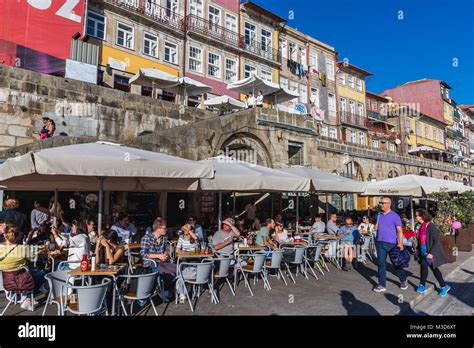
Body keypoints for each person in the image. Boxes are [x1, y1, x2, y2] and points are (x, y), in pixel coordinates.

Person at [0, 224, 45, 311]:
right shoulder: (22, 248)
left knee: (31, 272)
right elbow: (31, 258)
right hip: (22, 282)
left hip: (7, 283)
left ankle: (26, 296)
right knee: (42, 273)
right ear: (17, 236)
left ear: (4, 235)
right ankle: (27, 297)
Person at [373, 197, 407, 293]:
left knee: (396, 264)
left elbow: (400, 231)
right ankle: (382, 284)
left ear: (389, 204)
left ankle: (403, 279)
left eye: (384, 203)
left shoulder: (395, 216)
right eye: (381, 203)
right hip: (380, 242)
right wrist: (376, 227)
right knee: (381, 264)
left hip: (392, 243)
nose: (382, 204)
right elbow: (379, 226)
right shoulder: (379, 215)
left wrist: (400, 243)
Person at [414, 209, 450, 297]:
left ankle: (443, 286)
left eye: (417, 215)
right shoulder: (420, 225)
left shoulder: (430, 226)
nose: (416, 217)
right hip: (423, 252)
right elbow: (419, 239)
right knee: (425, 268)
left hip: (430, 252)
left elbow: (437, 240)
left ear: (422, 216)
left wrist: (432, 253)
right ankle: (423, 285)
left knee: (433, 269)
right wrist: (417, 248)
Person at [140, 218, 176, 301]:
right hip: (150, 264)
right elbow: (143, 254)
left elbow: (166, 249)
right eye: (164, 228)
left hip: (162, 262)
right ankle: (160, 288)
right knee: (170, 274)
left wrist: (165, 255)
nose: (166, 230)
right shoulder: (146, 238)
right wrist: (158, 256)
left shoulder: (164, 238)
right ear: (158, 229)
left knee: (179, 268)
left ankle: (165, 288)